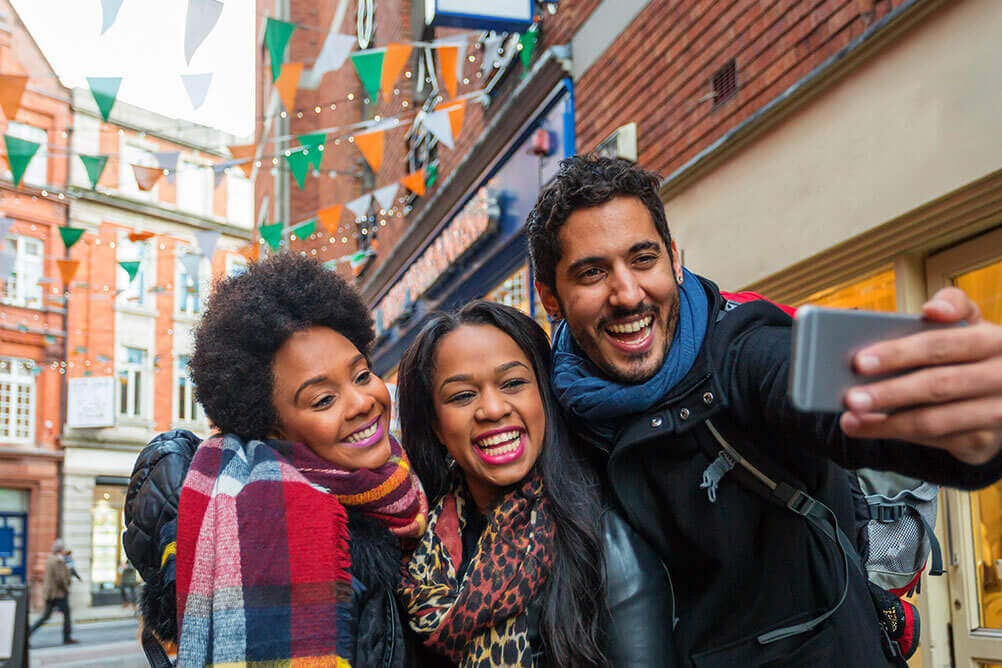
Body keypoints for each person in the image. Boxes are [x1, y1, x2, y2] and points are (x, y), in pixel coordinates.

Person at [525, 154, 1002, 666]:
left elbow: (818, 383)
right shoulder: (558, 414)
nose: (626, 293)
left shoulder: (743, 348)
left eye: (643, 259)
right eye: (592, 272)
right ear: (551, 299)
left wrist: (956, 426)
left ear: (674, 259)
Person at [125, 253, 426, 667]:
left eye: (361, 375)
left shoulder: (419, 488)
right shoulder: (277, 533)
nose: (362, 402)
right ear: (272, 427)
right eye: (323, 399)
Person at [396, 300, 674, 667]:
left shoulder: (603, 541)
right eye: (463, 395)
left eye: (513, 383)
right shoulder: (418, 552)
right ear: (436, 426)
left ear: (544, 395)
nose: (493, 409)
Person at [28, 540, 77, 645]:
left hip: (51, 593)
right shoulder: (57, 561)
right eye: (64, 549)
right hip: (57, 593)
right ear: (61, 550)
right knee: (66, 614)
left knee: (45, 616)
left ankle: (28, 633)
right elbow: (60, 578)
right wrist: (67, 587)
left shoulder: (51, 559)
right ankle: (67, 637)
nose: (65, 551)